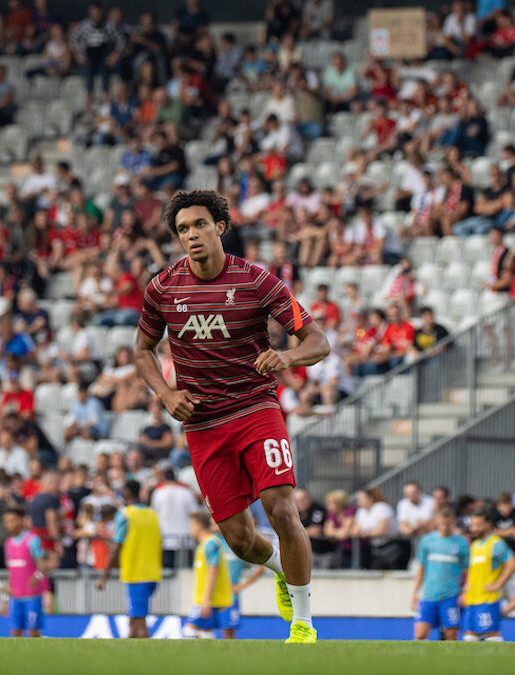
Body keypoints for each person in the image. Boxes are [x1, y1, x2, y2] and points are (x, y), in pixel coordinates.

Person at [133, 190, 330, 644]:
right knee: (240, 541)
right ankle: (283, 569)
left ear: (220, 227)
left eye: (199, 225)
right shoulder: (163, 287)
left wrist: (287, 356)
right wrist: (165, 393)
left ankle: (303, 624)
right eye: (183, 229)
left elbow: (318, 341)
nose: (191, 235)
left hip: (256, 409)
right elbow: (142, 350)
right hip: (202, 424)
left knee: (281, 507)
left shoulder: (259, 282)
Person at [96, 480, 162, 639]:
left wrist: (104, 576)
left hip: (135, 574)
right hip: (153, 573)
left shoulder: (125, 515)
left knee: (139, 622)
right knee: (133, 620)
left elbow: (116, 547)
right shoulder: (152, 514)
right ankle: (129, 657)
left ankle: (148, 660)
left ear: (126, 493)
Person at [461, 506, 515, 642]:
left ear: (488, 524)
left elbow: (513, 564)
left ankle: (501, 663)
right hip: (472, 599)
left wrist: (498, 584)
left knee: (491, 638)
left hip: (488, 600)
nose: (474, 528)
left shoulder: (496, 543)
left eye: (478, 525)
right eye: (472, 525)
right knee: (469, 638)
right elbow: (472, 570)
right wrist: (466, 589)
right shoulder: (475, 545)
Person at [411, 508, 468, 641]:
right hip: (429, 595)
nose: (444, 527)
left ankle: (450, 661)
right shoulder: (427, 541)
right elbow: (422, 568)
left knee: (451, 635)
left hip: (451, 595)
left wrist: (466, 590)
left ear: (453, 523)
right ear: (436, 522)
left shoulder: (461, 543)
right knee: (420, 634)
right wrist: (415, 592)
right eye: (441, 523)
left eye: (447, 524)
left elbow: (467, 569)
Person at [184, 512, 236, 639]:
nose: (189, 529)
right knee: (206, 632)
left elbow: (213, 571)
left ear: (198, 525)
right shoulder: (204, 544)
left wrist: (206, 600)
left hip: (210, 599)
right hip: (208, 598)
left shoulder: (211, 544)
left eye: (191, 525)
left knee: (188, 631)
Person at [2, 504, 49, 637]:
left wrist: (37, 576)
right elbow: (11, 573)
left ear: (21, 520)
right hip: (15, 597)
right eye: (6, 521)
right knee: (15, 632)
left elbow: (43, 565)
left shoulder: (32, 540)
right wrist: (5, 598)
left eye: (12, 520)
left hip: (32, 596)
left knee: (33, 632)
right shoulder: (8, 543)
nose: (8, 524)